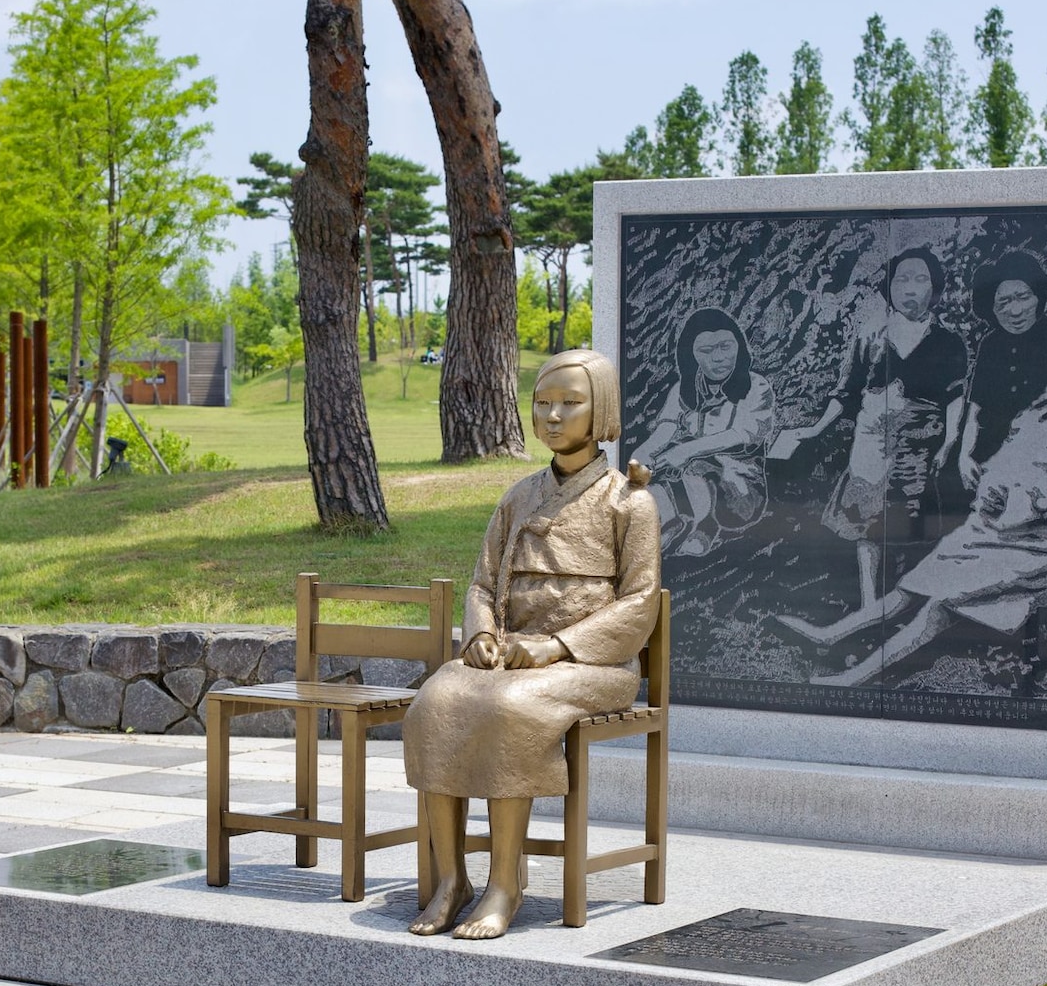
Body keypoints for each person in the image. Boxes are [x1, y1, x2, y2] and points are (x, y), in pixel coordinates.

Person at [780, 275, 1047, 688]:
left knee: (942, 604)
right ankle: (831, 635)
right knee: (913, 586)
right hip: (1004, 524)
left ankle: (854, 677)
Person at [403, 349, 662, 940]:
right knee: (435, 704)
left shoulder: (631, 502)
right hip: (511, 657)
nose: (552, 415)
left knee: (509, 709)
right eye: (543, 403)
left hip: (591, 665)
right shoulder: (518, 496)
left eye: (570, 403)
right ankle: (452, 879)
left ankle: (505, 883)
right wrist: (483, 635)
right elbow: (480, 581)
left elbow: (639, 602)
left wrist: (558, 647)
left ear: (602, 410)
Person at [810, 247, 970, 614]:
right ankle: (869, 606)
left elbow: (955, 397)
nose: (909, 288)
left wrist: (948, 443)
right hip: (871, 444)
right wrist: (816, 427)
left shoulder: (948, 341)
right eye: (901, 279)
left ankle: (906, 606)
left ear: (935, 288)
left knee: (913, 526)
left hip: (920, 448)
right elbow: (847, 391)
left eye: (920, 279)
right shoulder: (870, 335)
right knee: (867, 527)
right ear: (890, 286)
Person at [626, 308, 775, 558]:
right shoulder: (683, 390)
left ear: (739, 347)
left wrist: (685, 451)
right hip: (687, 478)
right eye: (706, 351)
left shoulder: (756, 386)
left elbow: (740, 434)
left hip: (739, 486)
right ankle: (670, 526)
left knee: (698, 468)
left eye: (725, 347)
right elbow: (664, 431)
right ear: (691, 355)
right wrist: (638, 459)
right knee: (652, 487)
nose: (718, 358)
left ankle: (705, 527)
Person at [953, 250, 1047, 500]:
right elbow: (975, 409)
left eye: (1023, 297)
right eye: (1003, 302)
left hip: (1046, 456)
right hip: (990, 453)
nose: (1015, 312)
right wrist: (964, 455)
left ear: (1039, 297)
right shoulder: (990, 344)